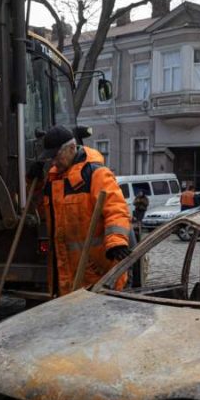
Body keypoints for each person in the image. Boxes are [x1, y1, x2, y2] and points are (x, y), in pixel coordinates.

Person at [32, 125, 131, 296]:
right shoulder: (53, 178)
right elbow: (42, 212)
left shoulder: (96, 174)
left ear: (71, 148)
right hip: (65, 273)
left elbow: (116, 209)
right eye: (51, 158)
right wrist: (34, 183)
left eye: (56, 156)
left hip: (96, 271)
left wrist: (116, 241)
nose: (53, 162)